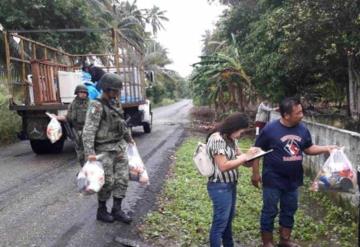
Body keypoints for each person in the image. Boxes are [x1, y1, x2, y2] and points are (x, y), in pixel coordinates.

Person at [251, 97, 337, 247]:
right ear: (286, 115)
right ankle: (267, 242)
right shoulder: (270, 129)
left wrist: (326, 148)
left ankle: (285, 240)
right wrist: (255, 173)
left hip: (293, 180)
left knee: (289, 210)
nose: (301, 115)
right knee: (270, 210)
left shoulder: (302, 129)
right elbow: (256, 151)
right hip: (273, 179)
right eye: (298, 113)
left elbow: (308, 148)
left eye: (301, 111)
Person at [82, 73, 134, 224]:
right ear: (107, 89)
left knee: (122, 179)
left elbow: (122, 124)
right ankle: (102, 210)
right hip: (103, 149)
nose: (118, 93)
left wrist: (129, 140)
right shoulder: (96, 106)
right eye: (116, 91)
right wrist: (90, 153)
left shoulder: (115, 103)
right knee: (107, 182)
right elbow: (89, 130)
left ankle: (117, 210)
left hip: (119, 147)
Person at [206, 113, 260, 247]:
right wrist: (244, 157)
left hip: (231, 185)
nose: (240, 134)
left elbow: (243, 161)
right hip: (219, 186)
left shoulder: (231, 140)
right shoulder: (217, 139)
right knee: (220, 223)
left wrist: (254, 156)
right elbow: (223, 166)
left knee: (228, 222)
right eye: (240, 131)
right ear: (233, 128)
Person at [54, 84, 89, 166]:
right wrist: (58, 117)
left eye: (84, 92)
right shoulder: (73, 105)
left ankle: (90, 169)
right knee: (79, 151)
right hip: (76, 130)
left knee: (88, 151)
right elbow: (68, 117)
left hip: (88, 130)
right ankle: (83, 168)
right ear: (77, 93)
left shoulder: (91, 104)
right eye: (81, 92)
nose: (83, 94)